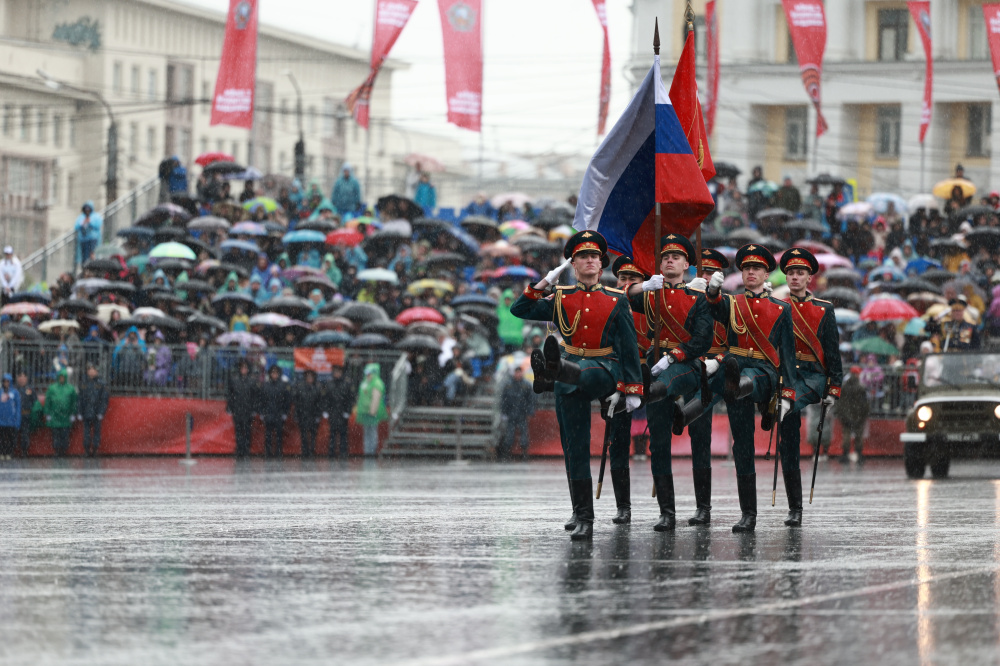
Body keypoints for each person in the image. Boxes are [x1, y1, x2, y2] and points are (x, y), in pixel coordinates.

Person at [510, 230, 643, 540]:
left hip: (603, 367)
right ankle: (582, 513)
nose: (589, 261)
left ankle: (553, 369)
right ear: (574, 263)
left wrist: (632, 388)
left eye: (594, 256)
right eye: (583, 256)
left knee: (584, 376)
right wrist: (542, 283)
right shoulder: (561, 296)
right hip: (569, 375)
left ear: (601, 264)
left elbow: (628, 347)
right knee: (574, 448)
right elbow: (520, 310)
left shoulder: (615, 299)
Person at [703, 243, 798, 533]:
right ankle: (748, 514)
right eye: (746, 268)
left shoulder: (781, 308)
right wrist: (711, 292)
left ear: (766, 272)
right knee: (741, 445)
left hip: (764, 373)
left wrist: (788, 393)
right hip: (736, 375)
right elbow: (713, 309)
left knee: (749, 380)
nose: (751, 272)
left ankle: (742, 387)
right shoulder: (732, 303)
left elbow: (789, 356)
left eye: (756, 268)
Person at [624, 235, 714, 532]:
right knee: (659, 442)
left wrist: (674, 355)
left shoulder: (699, 298)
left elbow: (702, 340)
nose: (670, 260)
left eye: (676, 257)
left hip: (689, 366)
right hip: (655, 366)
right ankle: (667, 511)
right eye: (665, 257)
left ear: (687, 264)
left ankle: (703, 507)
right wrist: (643, 285)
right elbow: (618, 296)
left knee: (700, 440)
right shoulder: (651, 294)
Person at [776, 248, 843, 527]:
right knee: (788, 445)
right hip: (788, 376)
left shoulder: (823, 309)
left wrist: (834, 388)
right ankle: (795, 508)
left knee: (790, 404)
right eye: (791, 273)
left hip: (814, 376)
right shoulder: (777, 306)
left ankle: (782, 407)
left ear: (808, 278)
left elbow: (833, 352)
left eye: (800, 273)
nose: (794, 277)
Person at [681, 248, 731, 526]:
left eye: (711, 273)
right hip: (695, 367)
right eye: (702, 272)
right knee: (699, 438)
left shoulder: (729, 302)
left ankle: (748, 509)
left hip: (724, 368)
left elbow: (737, 340)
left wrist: (720, 359)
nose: (706, 277)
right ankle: (703, 506)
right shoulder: (686, 299)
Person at [606, 255, 651, 524]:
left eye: (632, 279)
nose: (625, 283)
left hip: (651, 374)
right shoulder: (609, 307)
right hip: (619, 376)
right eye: (622, 278)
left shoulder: (654, 307)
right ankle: (623, 506)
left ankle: (667, 509)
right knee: (618, 444)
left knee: (660, 442)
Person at [498, 366, 535, 461]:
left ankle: (524, 453)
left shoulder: (526, 385)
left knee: (524, 434)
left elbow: (531, 400)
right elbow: (504, 400)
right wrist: (504, 412)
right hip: (511, 414)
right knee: (509, 435)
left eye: (519, 372)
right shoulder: (508, 385)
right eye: (516, 373)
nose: (518, 375)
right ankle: (507, 453)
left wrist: (530, 412)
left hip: (522, 413)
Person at [77, 362, 109, 457]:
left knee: (97, 432)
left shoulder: (102, 384)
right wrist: (79, 411)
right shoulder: (83, 383)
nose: (91, 372)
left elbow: (104, 399)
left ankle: (95, 449)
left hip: (96, 411)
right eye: (89, 370)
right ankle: (87, 450)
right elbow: (80, 399)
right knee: (86, 432)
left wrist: (101, 412)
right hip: (86, 411)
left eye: (93, 370)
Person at [837, 366, 869, 463]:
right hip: (858, 415)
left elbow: (840, 403)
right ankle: (859, 455)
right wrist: (864, 414)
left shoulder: (844, 387)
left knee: (846, 435)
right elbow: (865, 403)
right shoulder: (861, 388)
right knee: (858, 436)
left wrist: (841, 414)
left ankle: (845, 454)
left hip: (846, 415)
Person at [227, 359, 258, 457]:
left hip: (248, 409)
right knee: (238, 431)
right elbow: (230, 395)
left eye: (245, 368)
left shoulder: (252, 381)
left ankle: (246, 449)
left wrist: (254, 409)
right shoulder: (234, 380)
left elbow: (255, 396)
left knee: (247, 431)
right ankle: (239, 449)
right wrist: (230, 407)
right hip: (238, 409)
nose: (244, 370)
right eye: (242, 368)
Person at [355, 363, 387, 456]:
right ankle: (367, 451)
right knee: (366, 432)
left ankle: (371, 452)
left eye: (369, 373)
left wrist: (373, 410)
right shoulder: (365, 382)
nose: (368, 375)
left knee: (372, 432)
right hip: (365, 412)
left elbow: (376, 398)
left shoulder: (377, 383)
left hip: (372, 412)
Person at [44, 368, 78, 457]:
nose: (62, 378)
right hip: (54, 416)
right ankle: (57, 451)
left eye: (63, 377)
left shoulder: (70, 389)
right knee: (55, 435)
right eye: (60, 377)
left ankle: (63, 451)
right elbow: (48, 401)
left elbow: (74, 402)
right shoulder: (52, 388)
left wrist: (73, 413)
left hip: (66, 417)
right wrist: (47, 413)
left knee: (65, 435)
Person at [260, 364, 291, 457]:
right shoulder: (266, 385)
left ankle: (278, 452)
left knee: (279, 434)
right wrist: (262, 412)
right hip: (268, 413)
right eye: (273, 373)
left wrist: (285, 412)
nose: (274, 375)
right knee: (268, 434)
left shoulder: (283, 385)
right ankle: (268, 452)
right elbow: (262, 399)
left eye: (276, 373)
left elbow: (287, 400)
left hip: (279, 413)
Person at [325, 364, 355, 458]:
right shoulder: (329, 383)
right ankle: (331, 453)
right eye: (335, 372)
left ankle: (343, 452)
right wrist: (326, 410)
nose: (336, 373)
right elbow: (326, 398)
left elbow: (351, 398)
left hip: (343, 412)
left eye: (338, 372)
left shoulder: (347, 383)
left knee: (343, 434)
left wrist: (348, 411)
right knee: (332, 434)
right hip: (333, 412)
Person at [74, 201, 103, 267]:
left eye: (88, 209)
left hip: (93, 239)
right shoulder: (81, 217)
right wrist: (83, 223)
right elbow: (76, 226)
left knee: (92, 253)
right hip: (83, 239)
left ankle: (92, 265)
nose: (87, 211)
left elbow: (98, 225)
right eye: (86, 209)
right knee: (84, 255)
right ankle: (84, 266)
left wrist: (90, 223)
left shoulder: (95, 216)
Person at [0, 373, 21, 459]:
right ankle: (2, 452)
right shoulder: (0, 392)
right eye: (4, 381)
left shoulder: (15, 393)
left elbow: (18, 406)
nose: (6, 383)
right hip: (1, 420)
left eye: (8, 381)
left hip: (11, 420)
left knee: (10, 438)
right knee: (2, 438)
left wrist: (17, 420)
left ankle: (9, 452)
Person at [16, 371, 36, 457]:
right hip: (16, 415)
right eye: (20, 377)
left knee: (25, 434)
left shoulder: (30, 389)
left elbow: (35, 402)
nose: (22, 379)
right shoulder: (14, 389)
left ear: (26, 379)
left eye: (24, 377)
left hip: (26, 415)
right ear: (17, 378)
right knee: (14, 434)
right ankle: (12, 451)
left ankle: (24, 451)